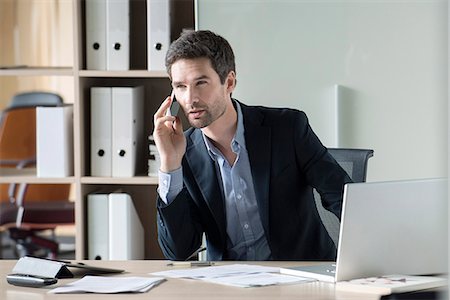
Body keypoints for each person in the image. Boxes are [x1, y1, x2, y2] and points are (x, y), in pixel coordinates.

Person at [153, 30, 352, 261]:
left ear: (229, 82)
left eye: (201, 83)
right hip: (229, 285)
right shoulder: (183, 154)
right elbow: (179, 252)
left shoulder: (287, 129)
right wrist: (169, 165)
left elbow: (343, 197)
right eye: (180, 87)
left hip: (301, 277)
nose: (190, 99)